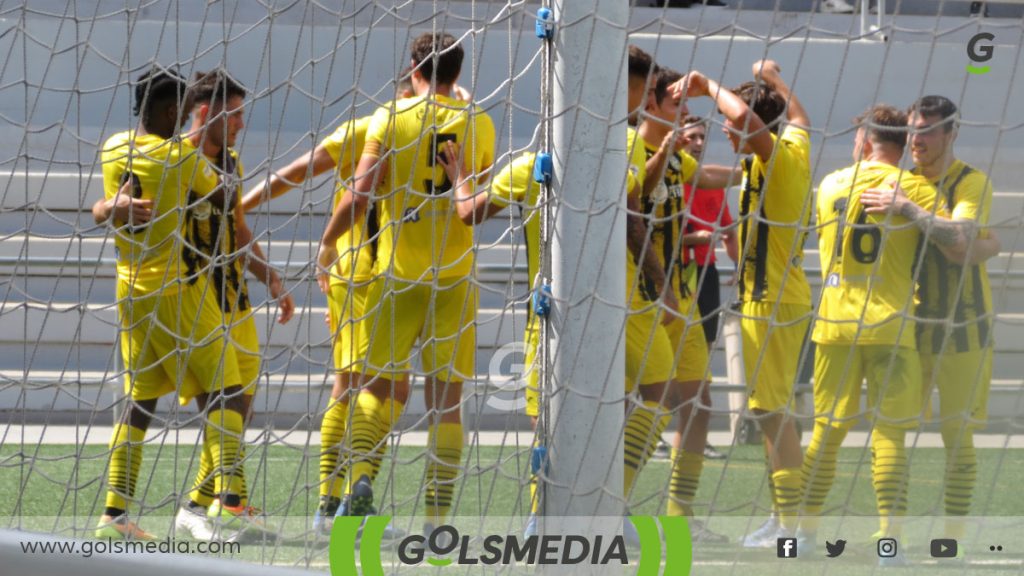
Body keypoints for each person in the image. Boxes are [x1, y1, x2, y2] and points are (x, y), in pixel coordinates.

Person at [317, 32, 495, 534]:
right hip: (456, 281)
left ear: (414, 67)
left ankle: (355, 490)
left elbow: (360, 192)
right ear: (457, 73)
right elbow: (473, 195)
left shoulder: (390, 116)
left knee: (370, 386)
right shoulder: (480, 122)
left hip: (397, 276)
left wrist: (328, 243)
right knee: (446, 404)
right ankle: (438, 524)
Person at [242, 71, 416, 535]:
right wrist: (240, 206)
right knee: (388, 390)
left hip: (348, 273)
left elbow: (299, 170)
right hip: (376, 276)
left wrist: (244, 203)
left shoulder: (366, 129)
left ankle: (329, 506)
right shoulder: (398, 129)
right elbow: (302, 170)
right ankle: (351, 505)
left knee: (348, 385)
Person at [806, 104, 967, 566]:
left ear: (863, 140)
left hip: (835, 324)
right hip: (893, 326)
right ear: (903, 143)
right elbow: (953, 242)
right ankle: (888, 543)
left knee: (827, 433)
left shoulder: (831, 184)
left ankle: (806, 531)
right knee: (889, 437)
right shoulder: (918, 188)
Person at [91, 66, 247, 540]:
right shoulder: (180, 158)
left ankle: (114, 517)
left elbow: (102, 209)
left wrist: (108, 209)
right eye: (180, 110)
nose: (184, 119)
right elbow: (224, 196)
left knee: (139, 404)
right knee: (228, 393)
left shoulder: (114, 147)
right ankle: (228, 506)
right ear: (164, 109)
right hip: (179, 292)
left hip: (131, 293)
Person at [670, 60, 812, 546]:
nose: (725, 132)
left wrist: (707, 85)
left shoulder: (776, 157)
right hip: (773, 298)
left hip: (770, 302)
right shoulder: (790, 145)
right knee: (774, 411)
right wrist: (775, 80)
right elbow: (800, 118)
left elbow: (752, 123)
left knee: (773, 413)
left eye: (729, 123)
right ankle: (788, 520)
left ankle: (792, 526)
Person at [167, 69, 294, 541]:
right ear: (205, 112)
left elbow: (237, 228)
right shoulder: (173, 159)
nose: (241, 122)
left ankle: (201, 504)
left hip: (234, 297)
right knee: (221, 402)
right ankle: (229, 503)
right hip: (191, 298)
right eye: (234, 114)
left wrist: (270, 277)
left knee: (238, 406)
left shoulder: (232, 162)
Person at [635, 67, 738, 539]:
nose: (686, 114)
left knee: (698, 405)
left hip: (681, 299)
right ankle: (605, 506)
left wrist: (755, 163)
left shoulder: (680, 159)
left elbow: (712, 176)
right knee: (648, 404)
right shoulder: (629, 148)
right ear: (651, 105)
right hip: (640, 297)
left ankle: (680, 516)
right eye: (678, 103)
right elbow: (634, 204)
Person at [905, 95, 998, 545]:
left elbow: (961, 241)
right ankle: (891, 533)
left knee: (957, 440)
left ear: (951, 133)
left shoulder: (971, 181)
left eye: (926, 131)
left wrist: (914, 215)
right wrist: (981, 245)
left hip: (966, 329)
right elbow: (964, 244)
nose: (916, 140)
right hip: (908, 327)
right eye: (912, 130)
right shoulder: (898, 180)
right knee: (891, 433)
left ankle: (953, 537)